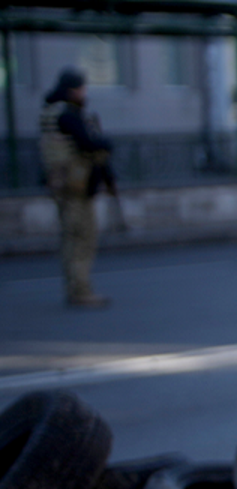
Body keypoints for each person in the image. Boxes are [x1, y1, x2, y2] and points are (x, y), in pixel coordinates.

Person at [40, 67, 114, 308]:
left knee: (72, 238)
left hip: (64, 185)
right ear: (72, 90)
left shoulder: (52, 113)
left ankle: (76, 287)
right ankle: (80, 290)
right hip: (76, 186)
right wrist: (105, 143)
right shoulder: (67, 114)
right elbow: (88, 143)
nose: (84, 93)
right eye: (81, 88)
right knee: (82, 238)